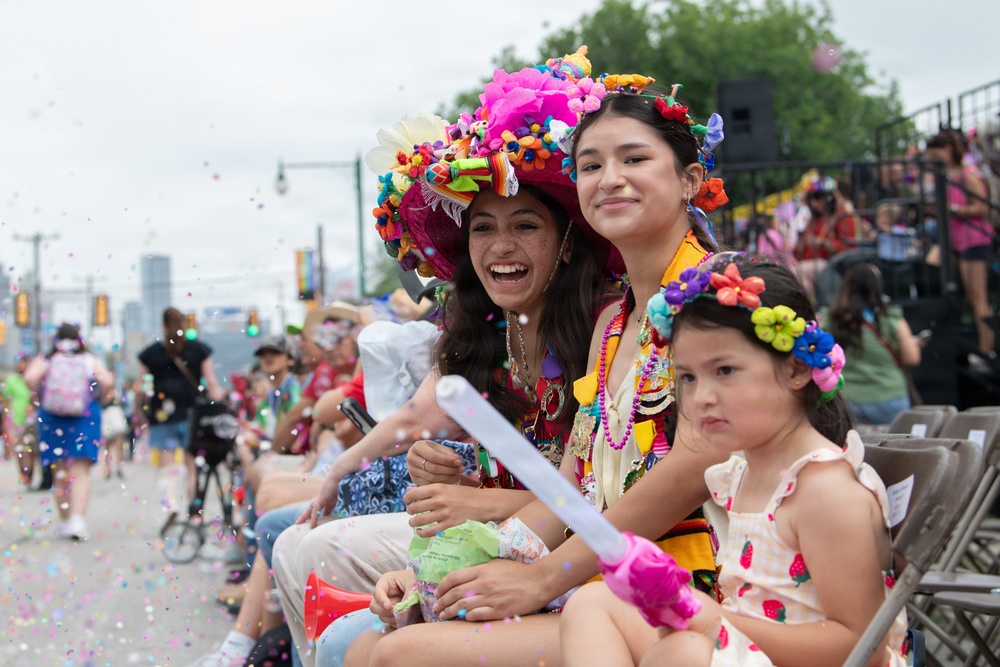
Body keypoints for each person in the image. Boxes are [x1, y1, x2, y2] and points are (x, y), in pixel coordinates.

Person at [350, 70, 728, 667]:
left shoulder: (719, 299)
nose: (611, 179)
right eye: (591, 165)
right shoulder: (614, 324)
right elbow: (575, 485)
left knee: (400, 654)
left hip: (697, 591)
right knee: (375, 640)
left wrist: (543, 577)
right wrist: (460, 569)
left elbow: (694, 465)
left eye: (634, 158)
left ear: (690, 180)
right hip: (607, 581)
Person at [272, 49, 623, 667]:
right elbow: (429, 427)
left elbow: (598, 497)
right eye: (482, 229)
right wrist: (449, 475)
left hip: (592, 577)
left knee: (341, 616)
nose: (501, 248)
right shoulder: (488, 329)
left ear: (568, 243)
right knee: (323, 594)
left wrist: (482, 509)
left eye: (525, 226)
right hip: (521, 546)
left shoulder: (612, 331)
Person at [559, 256, 907, 667]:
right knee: (594, 601)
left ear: (796, 368)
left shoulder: (824, 489)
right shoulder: (742, 471)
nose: (701, 396)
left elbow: (861, 646)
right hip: (750, 647)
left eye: (724, 370)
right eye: (688, 377)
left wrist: (712, 622)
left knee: (685, 651)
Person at [136, 307, 225, 535]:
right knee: (192, 466)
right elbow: (212, 384)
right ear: (186, 325)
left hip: (162, 415)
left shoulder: (151, 353)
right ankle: (195, 510)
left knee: (167, 467)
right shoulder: (199, 350)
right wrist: (220, 402)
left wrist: (141, 410)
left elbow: (139, 386)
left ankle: (172, 504)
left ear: (163, 326)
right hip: (194, 415)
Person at [23, 323, 114, 541]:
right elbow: (107, 381)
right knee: (80, 471)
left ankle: (65, 520)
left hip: (53, 417)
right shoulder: (88, 359)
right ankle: (77, 520)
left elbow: (29, 379)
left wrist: (41, 393)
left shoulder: (48, 358)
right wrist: (97, 393)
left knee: (60, 471)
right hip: (84, 416)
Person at [924, 130, 996, 371]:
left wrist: (954, 208)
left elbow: (981, 207)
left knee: (979, 300)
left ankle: (987, 351)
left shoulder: (968, 174)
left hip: (974, 243)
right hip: (957, 244)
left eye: (935, 154)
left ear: (947, 150)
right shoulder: (949, 175)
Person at [823, 264, 922, 425]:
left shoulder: (832, 319)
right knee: (897, 447)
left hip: (848, 398)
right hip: (889, 397)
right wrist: (914, 344)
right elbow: (912, 358)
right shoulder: (890, 317)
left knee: (851, 447)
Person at [793, 175, 869, 300]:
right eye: (812, 198)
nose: (814, 203)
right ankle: (814, 314)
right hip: (814, 266)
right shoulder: (813, 220)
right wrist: (801, 246)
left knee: (799, 271)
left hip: (835, 265)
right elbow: (798, 254)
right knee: (797, 275)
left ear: (829, 198)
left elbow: (847, 248)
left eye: (818, 197)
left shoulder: (843, 216)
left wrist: (821, 243)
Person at [2, 353, 37, 487]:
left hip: (32, 420)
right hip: (16, 420)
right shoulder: (11, 381)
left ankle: (30, 473)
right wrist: (5, 421)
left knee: (31, 449)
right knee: (19, 449)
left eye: (22, 362)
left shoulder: (33, 379)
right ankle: (24, 473)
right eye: (17, 362)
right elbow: (6, 402)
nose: (19, 365)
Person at [100, 386, 129, 479]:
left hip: (115, 418)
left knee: (118, 445)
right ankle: (107, 469)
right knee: (107, 447)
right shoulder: (103, 392)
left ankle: (119, 467)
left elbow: (123, 403)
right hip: (107, 418)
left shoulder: (117, 391)